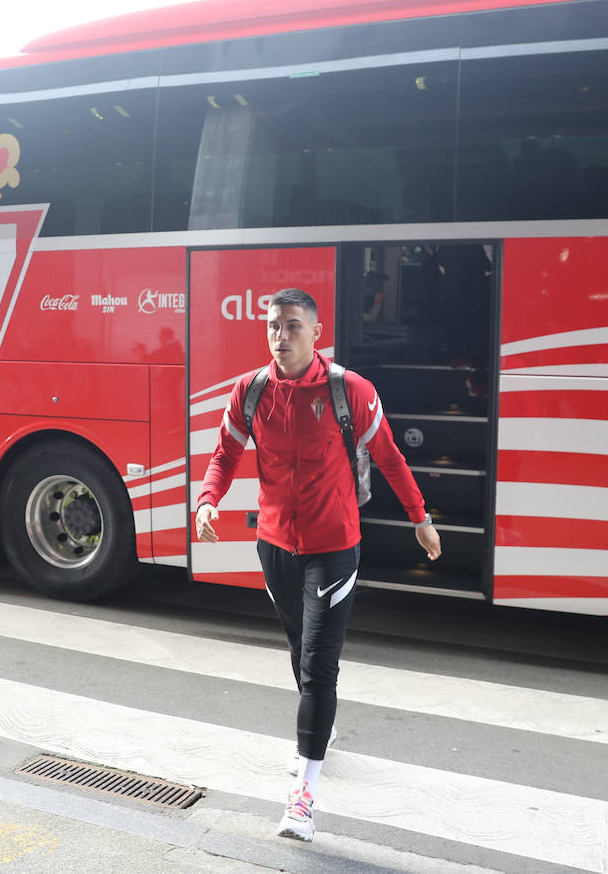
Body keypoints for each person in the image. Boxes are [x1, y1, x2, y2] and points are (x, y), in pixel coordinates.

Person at [194, 287, 441, 843]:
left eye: (292, 326)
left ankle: (303, 796)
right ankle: (318, 733)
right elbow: (225, 454)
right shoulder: (251, 391)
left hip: (334, 546)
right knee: (298, 648)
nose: (281, 337)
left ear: (316, 333)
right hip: (275, 545)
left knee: (318, 663)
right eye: (273, 326)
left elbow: (389, 457)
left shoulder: (348, 390)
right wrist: (208, 499)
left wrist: (420, 517)